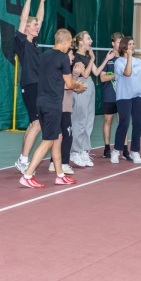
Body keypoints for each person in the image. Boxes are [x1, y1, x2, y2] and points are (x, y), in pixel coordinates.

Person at [20, 29, 87, 188]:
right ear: (65, 42)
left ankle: (60, 175)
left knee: (57, 138)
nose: (69, 47)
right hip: (52, 105)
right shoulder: (63, 58)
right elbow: (69, 84)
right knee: (48, 141)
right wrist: (78, 86)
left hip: (41, 103)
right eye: (69, 43)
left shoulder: (44, 55)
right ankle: (27, 175)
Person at [69, 32, 115, 167]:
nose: (91, 41)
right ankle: (75, 151)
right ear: (81, 41)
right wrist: (93, 59)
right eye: (88, 38)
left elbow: (96, 72)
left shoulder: (88, 57)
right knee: (80, 120)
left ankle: (84, 150)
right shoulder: (76, 56)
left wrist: (106, 59)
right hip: (80, 86)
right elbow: (85, 73)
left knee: (89, 121)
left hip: (90, 86)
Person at [14, 0, 46, 173]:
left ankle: (22, 158)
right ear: (26, 27)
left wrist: (42, 0)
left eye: (37, 26)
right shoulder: (21, 41)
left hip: (37, 84)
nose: (37, 27)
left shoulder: (33, 42)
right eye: (33, 25)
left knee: (33, 123)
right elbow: (24, 18)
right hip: (30, 84)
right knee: (37, 124)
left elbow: (39, 18)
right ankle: (24, 160)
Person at [110, 37, 141, 164]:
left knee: (138, 124)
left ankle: (135, 151)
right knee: (124, 123)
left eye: (133, 44)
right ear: (124, 46)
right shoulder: (118, 62)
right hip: (124, 97)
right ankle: (116, 150)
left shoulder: (138, 61)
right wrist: (128, 57)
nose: (132, 46)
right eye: (130, 44)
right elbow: (127, 73)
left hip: (137, 97)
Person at [48, 49, 85, 175]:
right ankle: (63, 163)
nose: (73, 57)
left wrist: (78, 87)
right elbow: (66, 85)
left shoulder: (65, 69)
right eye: (71, 54)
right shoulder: (62, 69)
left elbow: (70, 86)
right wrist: (76, 74)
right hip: (62, 107)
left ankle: (53, 162)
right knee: (67, 136)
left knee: (59, 136)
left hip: (65, 107)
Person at [101, 33, 123, 158]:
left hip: (122, 96)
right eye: (119, 42)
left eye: (122, 42)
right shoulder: (108, 58)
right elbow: (102, 78)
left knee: (123, 121)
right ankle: (107, 147)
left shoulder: (126, 58)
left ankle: (124, 148)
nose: (121, 44)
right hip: (109, 95)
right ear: (113, 43)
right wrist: (116, 75)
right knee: (108, 120)